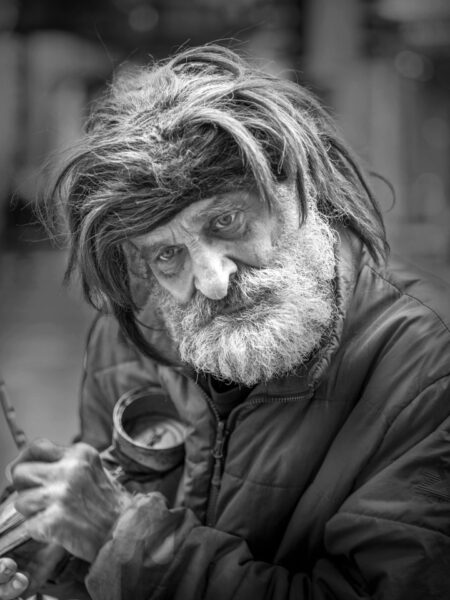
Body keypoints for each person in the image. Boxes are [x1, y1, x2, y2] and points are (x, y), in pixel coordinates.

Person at [0, 44, 449, 600]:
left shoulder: (430, 369)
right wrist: (52, 552)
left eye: (228, 219)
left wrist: (123, 538)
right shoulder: (131, 336)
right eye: (168, 255)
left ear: (295, 189)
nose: (212, 281)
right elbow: (106, 526)